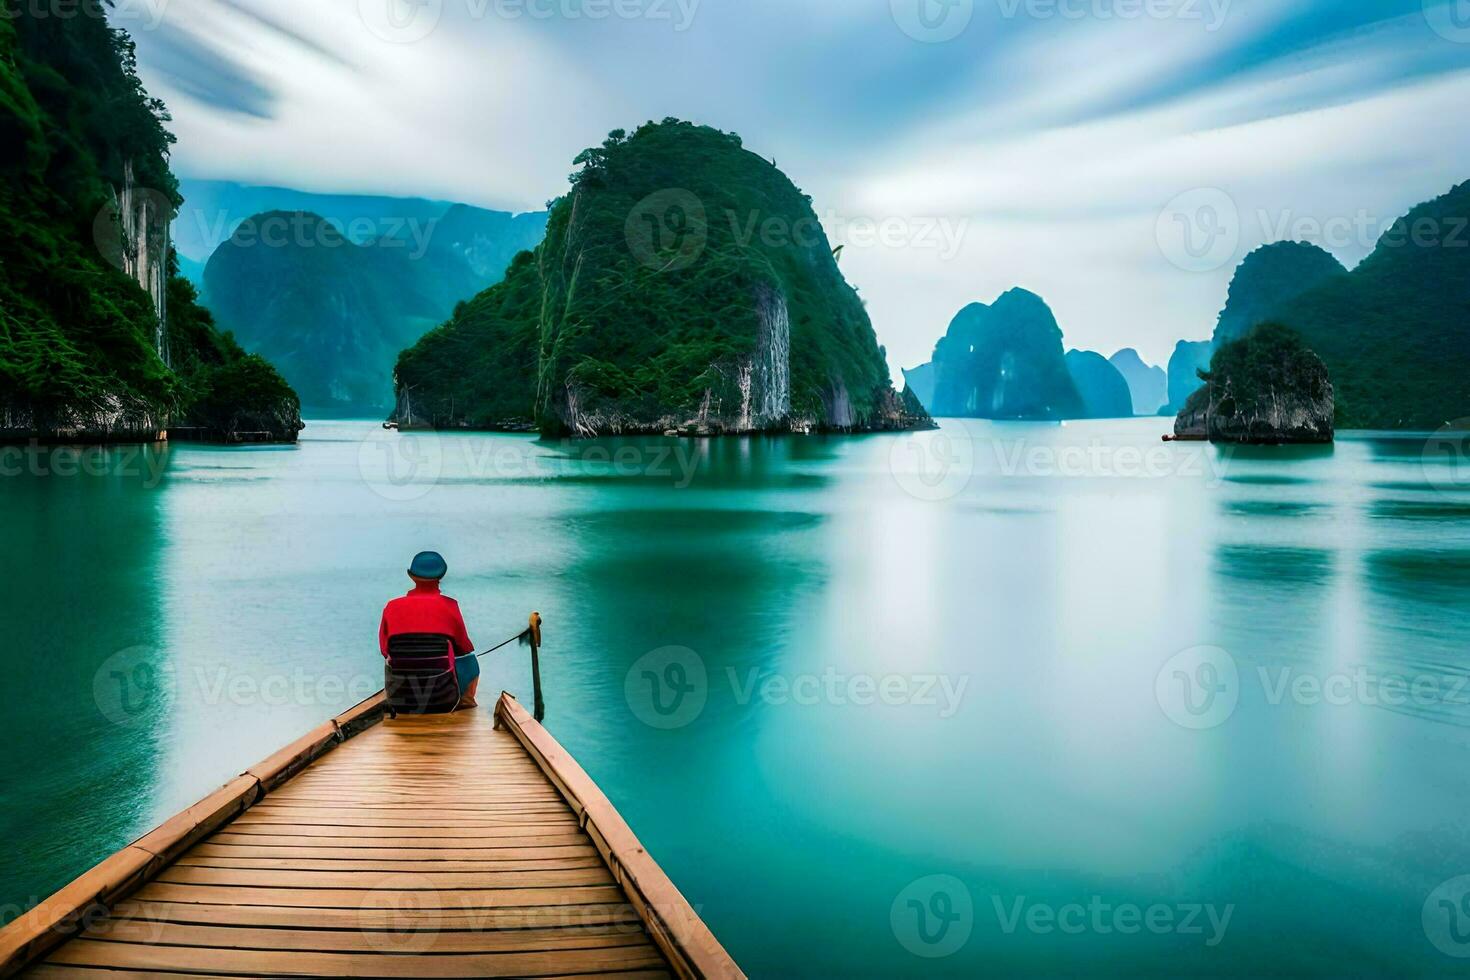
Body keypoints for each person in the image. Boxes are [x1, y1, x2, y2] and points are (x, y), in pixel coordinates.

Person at [378, 551, 480, 708]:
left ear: (410, 576)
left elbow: (385, 650)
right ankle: (466, 702)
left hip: (400, 699)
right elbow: (464, 648)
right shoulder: (450, 606)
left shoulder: (391, 607)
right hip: (443, 698)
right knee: (469, 660)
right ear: (441, 577)